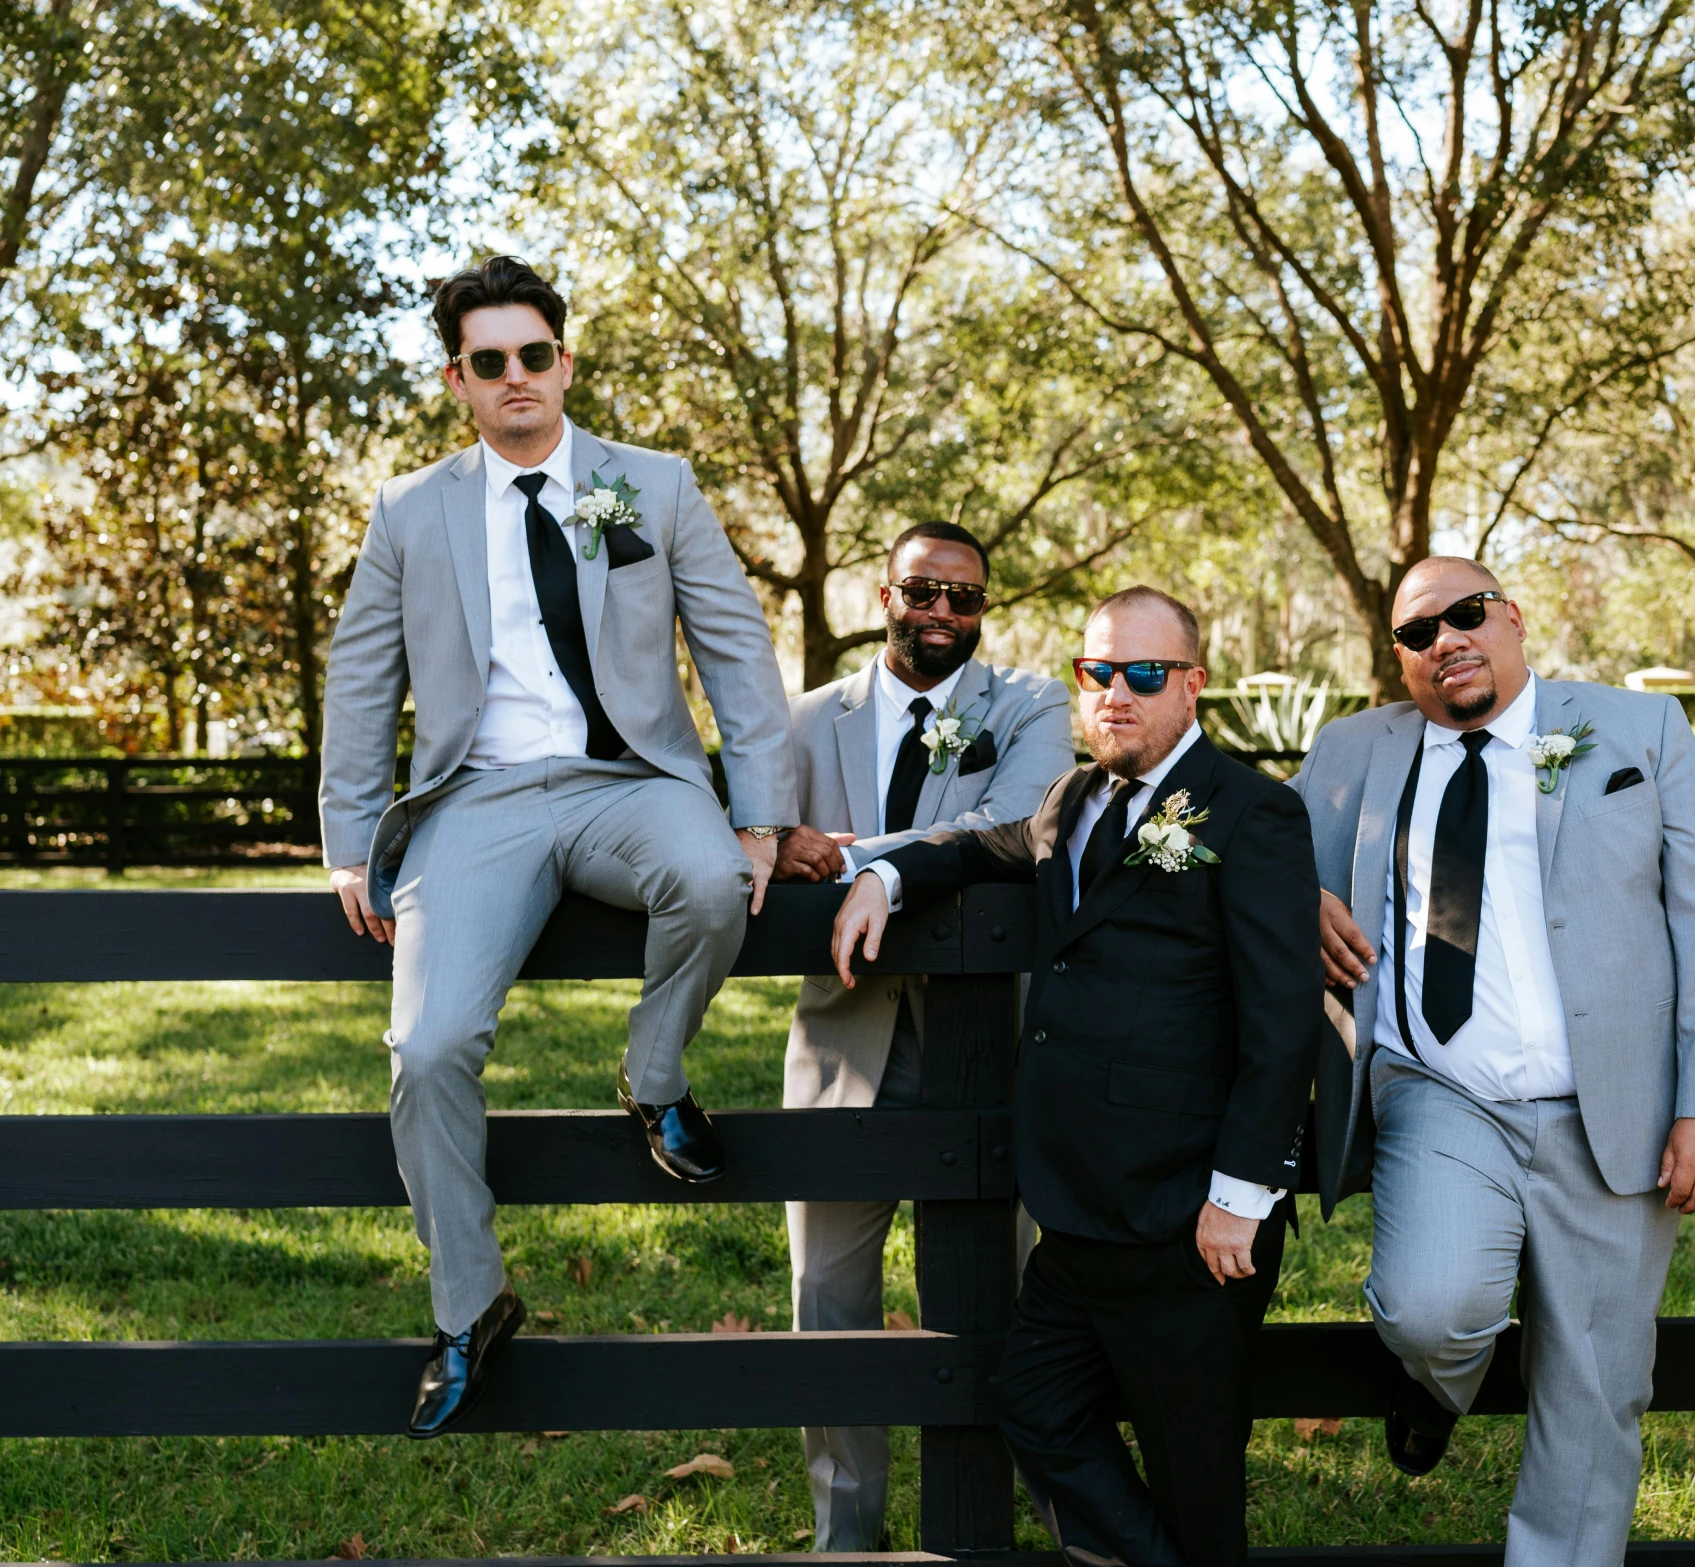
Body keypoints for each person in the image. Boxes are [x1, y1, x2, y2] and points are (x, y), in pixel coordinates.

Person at [318, 255, 799, 1439]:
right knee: (427, 1047)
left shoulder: (653, 485)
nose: (518, 377)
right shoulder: (409, 511)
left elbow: (734, 646)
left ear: (565, 363)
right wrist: (346, 838)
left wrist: (761, 810)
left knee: (709, 881)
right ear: (459, 382)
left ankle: (654, 1073)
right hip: (475, 801)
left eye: (536, 355)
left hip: (632, 778)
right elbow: (361, 682)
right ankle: (468, 1303)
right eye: (491, 362)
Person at [829, 587, 1321, 1567]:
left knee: (1195, 1478)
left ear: (1193, 684)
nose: (1117, 694)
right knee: (1033, 1403)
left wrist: (1241, 1194)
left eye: (1144, 674)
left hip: (1185, 1221)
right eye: (1098, 672)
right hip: (1075, 1211)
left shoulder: (1253, 810)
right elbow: (980, 846)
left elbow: (1283, 1019)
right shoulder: (1070, 799)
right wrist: (887, 875)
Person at [1299, 556, 1695, 1565]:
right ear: (1399, 659)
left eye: (1465, 615)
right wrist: (1295, 898)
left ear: (1512, 619)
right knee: (1430, 1310)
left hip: (1615, 1110)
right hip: (1440, 1089)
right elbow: (1241, 844)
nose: (1445, 641)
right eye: (1417, 632)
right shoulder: (1351, 750)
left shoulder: (1637, 731)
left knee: (1595, 1386)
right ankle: (1435, 1382)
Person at [773, 520, 1070, 1550]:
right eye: (922, 592)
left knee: (1027, 1292)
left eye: (965, 598)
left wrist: (867, 862)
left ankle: (1049, 1515)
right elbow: (751, 835)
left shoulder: (1030, 704)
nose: (943, 614)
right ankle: (845, 1534)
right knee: (826, 1297)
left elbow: (1026, 816)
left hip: (996, 1042)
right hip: (844, 1038)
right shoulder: (805, 719)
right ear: (884, 594)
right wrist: (778, 844)